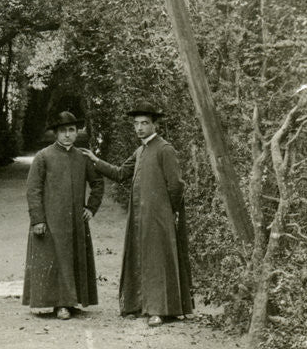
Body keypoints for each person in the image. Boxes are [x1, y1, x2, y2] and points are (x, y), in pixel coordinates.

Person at [83, 102, 193, 327]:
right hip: (139, 218)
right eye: (136, 124)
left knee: (157, 261)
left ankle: (159, 310)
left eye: (145, 123)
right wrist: (96, 161)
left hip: (159, 217)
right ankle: (140, 305)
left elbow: (177, 185)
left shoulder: (165, 149)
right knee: (141, 257)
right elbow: (121, 173)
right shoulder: (141, 150)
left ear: (155, 125)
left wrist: (167, 210)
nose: (140, 128)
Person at [22, 111, 104, 320]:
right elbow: (33, 189)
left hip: (76, 221)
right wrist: (38, 219)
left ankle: (72, 301)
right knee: (56, 259)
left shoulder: (83, 157)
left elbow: (97, 183)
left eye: (71, 130)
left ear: (76, 133)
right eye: (62, 131)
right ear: (56, 133)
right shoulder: (43, 157)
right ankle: (60, 305)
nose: (67, 135)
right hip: (51, 220)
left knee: (73, 258)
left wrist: (91, 208)